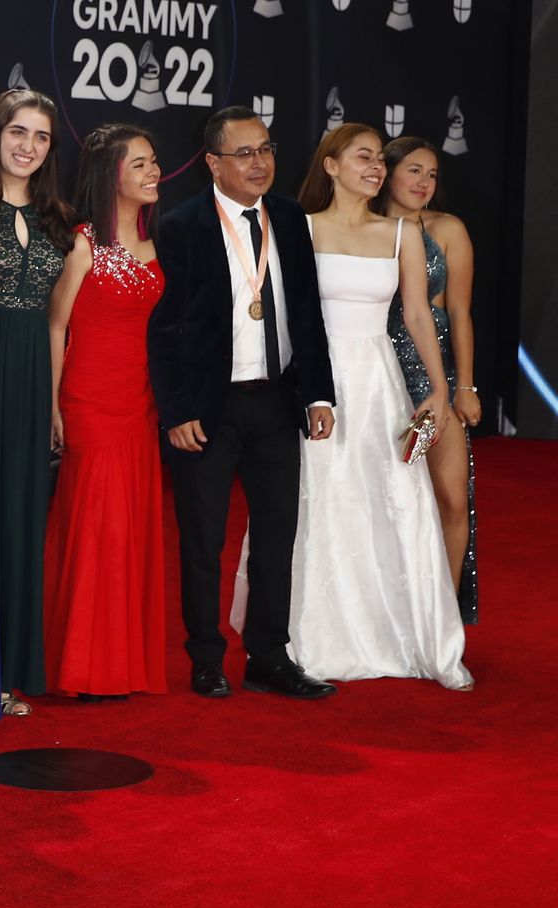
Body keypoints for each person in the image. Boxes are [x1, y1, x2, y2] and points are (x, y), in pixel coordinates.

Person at [148, 105, 338, 700]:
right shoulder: (181, 226)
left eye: (266, 149)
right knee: (203, 538)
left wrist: (319, 392)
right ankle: (206, 658)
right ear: (212, 163)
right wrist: (176, 409)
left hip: (278, 400)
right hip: (208, 407)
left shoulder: (289, 216)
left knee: (278, 534)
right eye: (245, 153)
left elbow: (308, 312)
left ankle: (268, 656)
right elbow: (166, 328)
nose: (260, 164)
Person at [279, 123, 471, 689]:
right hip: (319, 382)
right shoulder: (301, 228)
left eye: (379, 162)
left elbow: (416, 315)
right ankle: (316, 636)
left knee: (391, 502)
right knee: (324, 501)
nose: (376, 169)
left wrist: (437, 389)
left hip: (380, 380)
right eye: (364, 158)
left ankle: (406, 634)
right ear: (331, 166)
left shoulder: (400, 234)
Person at [45, 125, 167, 700]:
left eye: (153, 162)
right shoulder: (83, 242)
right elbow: (56, 325)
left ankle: (120, 663)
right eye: (139, 164)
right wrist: (52, 403)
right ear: (110, 173)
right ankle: (81, 664)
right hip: (89, 399)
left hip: (138, 398)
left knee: (129, 529)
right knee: (98, 524)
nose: (153, 173)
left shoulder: (151, 237)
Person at [0, 89, 78, 712]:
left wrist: (54, 401)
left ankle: (7, 673)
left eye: (40, 136)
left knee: (20, 525)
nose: (27, 146)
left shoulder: (60, 220)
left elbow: (57, 323)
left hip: (32, 380)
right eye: (17, 131)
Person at [375, 137, 479, 624]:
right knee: (390, 496)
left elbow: (458, 311)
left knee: (450, 496)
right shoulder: (366, 228)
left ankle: (443, 615)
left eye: (432, 174)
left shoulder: (447, 229)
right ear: (387, 172)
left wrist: (465, 386)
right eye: (413, 170)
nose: (423, 182)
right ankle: (390, 610)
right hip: (374, 373)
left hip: (429, 380)